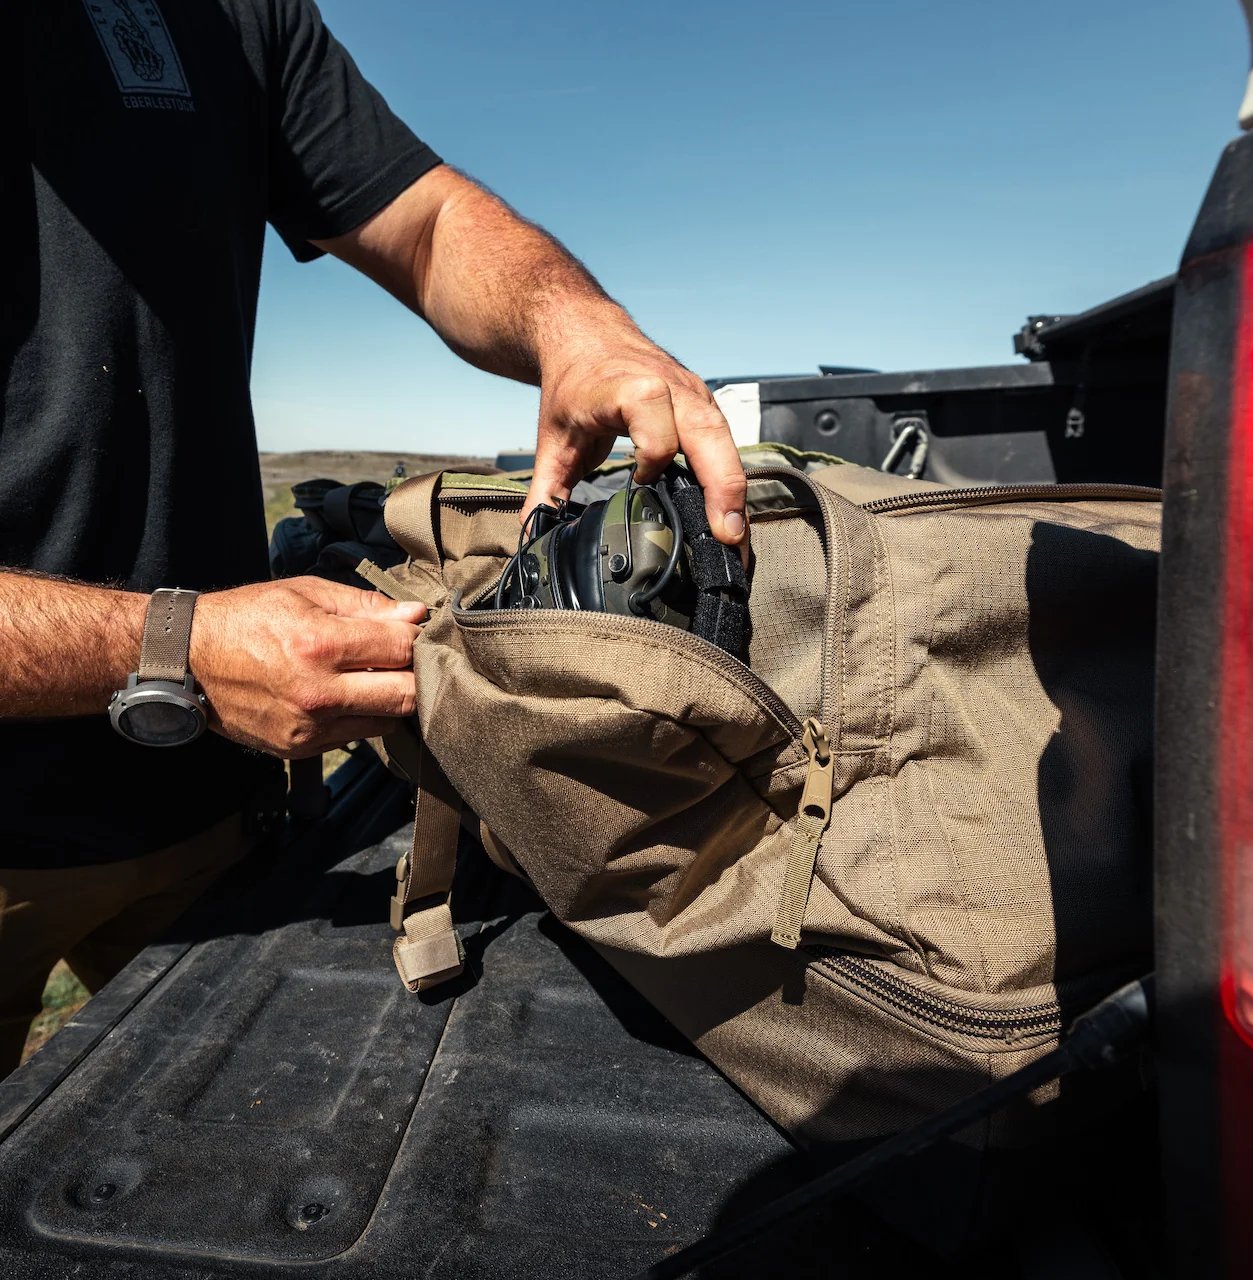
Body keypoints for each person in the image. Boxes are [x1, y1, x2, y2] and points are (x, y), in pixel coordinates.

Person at [0, 0, 747, 1073]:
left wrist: (572, 322)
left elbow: (424, 219)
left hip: (215, 801)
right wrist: (174, 645)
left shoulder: (232, 18)